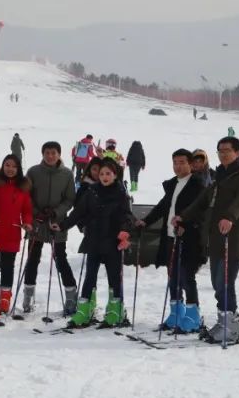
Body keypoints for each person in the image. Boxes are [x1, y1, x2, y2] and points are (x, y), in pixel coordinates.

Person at [176, 136, 239, 344]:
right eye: (219, 150)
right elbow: (204, 199)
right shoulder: (219, 174)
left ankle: (230, 325)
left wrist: (230, 217)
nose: (223, 154)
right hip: (214, 237)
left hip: (233, 236)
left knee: (225, 281)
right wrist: (183, 216)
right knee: (216, 282)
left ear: (237, 152)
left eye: (227, 150)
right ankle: (226, 321)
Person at [138, 148, 207, 334]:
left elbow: (201, 212)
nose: (178, 166)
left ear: (191, 164)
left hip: (189, 239)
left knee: (187, 277)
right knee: (173, 277)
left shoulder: (198, 185)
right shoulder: (173, 184)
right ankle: (176, 313)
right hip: (170, 237)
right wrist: (146, 221)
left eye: (182, 162)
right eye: (175, 162)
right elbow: (163, 207)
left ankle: (193, 316)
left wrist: (188, 224)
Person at [63, 158, 133, 327]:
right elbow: (78, 212)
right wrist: (63, 225)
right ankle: (83, 312)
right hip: (94, 240)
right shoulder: (92, 191)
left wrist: (125, 231)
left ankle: (115, 311)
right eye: (101, 174)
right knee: (90, 276)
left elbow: (126, 216)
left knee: (114, 277)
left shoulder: (120, 193)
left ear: (115, 175)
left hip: (112, 241)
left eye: (108, 173)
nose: (104, 177)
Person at [22, 142, 78, 315]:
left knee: (61, 259)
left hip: (57, 223)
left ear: (59, 154)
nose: (50, 156)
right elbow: (26, 195)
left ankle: (71, 296)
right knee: (33, 259)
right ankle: (28, 295)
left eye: (54, 153)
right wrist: (36, 212)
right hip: (37, 223)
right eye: (47, 153)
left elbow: (70, 199)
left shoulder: (67, 174)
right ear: (43, 154)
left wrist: (56, 212)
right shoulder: (33, 172)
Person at [0, 154, 33, 316]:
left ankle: (5, 301)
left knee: (7, 268)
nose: (10, 169)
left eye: (13, 166)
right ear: (3, 166)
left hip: (12, 232)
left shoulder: (22, 188)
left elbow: (26, 209)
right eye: (7, 165)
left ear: (18, 169)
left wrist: (27, 222)